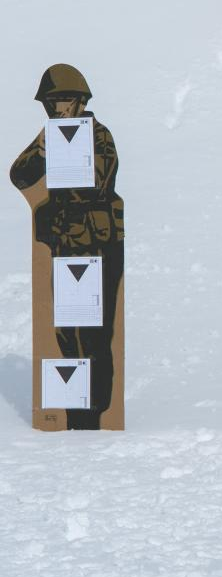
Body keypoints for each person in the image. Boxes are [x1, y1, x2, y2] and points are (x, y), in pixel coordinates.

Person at [10, 64, 125, 430]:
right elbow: (18, 174)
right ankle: (74, 409)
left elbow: (96, 185)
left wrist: (65, 152)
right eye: (52, 102)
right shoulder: (50, 137)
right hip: (64, 247)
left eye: (64, 100)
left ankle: (95, 414)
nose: (58, 108)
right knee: (66, 332)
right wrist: (44, 149)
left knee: (94, 335)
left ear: (80, 102)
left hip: (97, 248)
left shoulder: (99, 136)